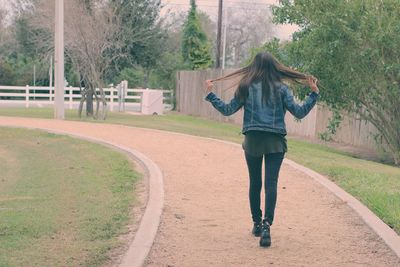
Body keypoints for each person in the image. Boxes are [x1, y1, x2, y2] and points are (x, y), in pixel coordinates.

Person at [204, 52, 319, 247]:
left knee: (255, 183)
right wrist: (313, 93)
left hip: (253, 140)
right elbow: (299, 112)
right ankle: (267, 226)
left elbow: (227, 109)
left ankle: (256, 223)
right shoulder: (283, 89)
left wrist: (210, 94)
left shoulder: (246, 87)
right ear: (275, 67)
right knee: (271, 184)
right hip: (275, 142)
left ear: (254, 67)